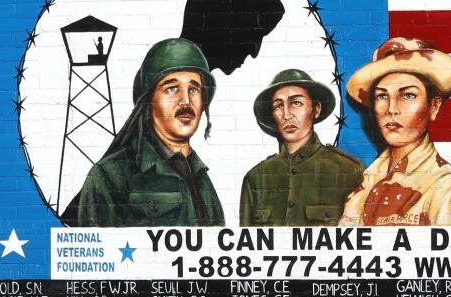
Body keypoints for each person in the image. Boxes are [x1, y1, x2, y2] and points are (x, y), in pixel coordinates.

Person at [66, 37, 224, 228]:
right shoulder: (111, 175)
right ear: (149, 101)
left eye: (194, 89)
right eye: (172, 89)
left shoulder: (200, 177)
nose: (186, 101)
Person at [340, 37, 451, 228]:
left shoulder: (450, 189)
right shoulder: (366, 181)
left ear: (434, 106)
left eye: (408, 95)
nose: (392, 109)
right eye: (382, 96)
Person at [240, 68, 364, 228]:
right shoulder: (256, 179)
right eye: (278, 106)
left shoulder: (348, 170)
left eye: (296, 103)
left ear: (316, 109)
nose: (286, 115)